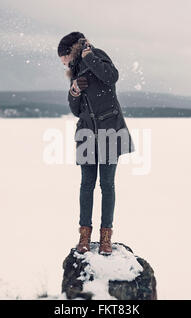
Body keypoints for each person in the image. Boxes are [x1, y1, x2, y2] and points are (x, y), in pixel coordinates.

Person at [57, 31, 135, 255]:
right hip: (86, 133)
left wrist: (89, 56)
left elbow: (112, 77)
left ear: (68, 52)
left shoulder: (97, 56)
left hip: (109, 129)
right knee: (86, 185)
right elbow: (75, 109)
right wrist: (75, 91)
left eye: (62, 57)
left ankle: (106, 237)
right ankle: (84, 235)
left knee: (107, 185)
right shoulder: (74, 71)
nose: (62, 62)